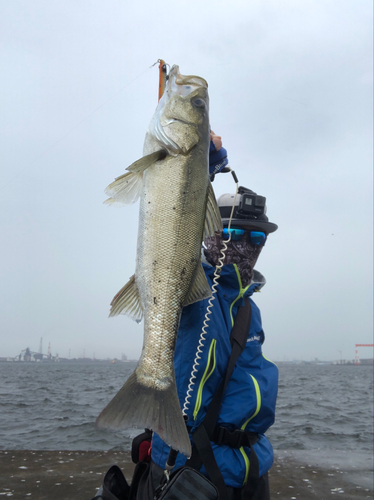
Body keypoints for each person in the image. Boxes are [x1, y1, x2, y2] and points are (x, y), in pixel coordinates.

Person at [92, 134, 279, 500]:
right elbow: (175, 228)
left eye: (258, 238)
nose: (247, 246)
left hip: (251, 469)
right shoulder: (195, 288)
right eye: (235, 233)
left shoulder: (248, 307)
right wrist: (195, 167)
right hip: (194, 472)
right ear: (210, 232)